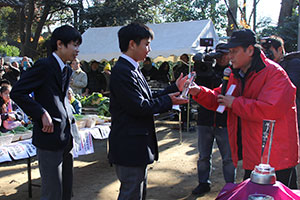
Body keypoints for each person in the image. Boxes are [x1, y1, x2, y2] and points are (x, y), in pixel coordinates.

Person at [189, 29, 299, 189]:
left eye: (234, 51)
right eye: (229, 51)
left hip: (277, 158)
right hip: (253, 155)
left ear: (250, 50)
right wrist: (198, 91)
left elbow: (269, 110)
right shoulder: (236, 75)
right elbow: (219, 98)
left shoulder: (275, 74)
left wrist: (234, 103)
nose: (230, 56)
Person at [108, 22, 188, 200]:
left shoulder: (132, 68)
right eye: (146, 44)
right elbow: (139, 106)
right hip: (129, 146)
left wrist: (173, 88)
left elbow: (148, 96)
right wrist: (169, 100)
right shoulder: (122, 71)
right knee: (131, 193)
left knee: (137, 191)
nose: (149, 49)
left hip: (137, 145)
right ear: (132, 44)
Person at [11, 24, 82, 200]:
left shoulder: (66, 69)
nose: (77, 50)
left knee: (66, 191)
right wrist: (41, 112)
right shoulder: (44, 65)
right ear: (60, 44)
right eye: (74, 44)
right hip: (49, 138)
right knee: (52, 193)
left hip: (66, 137)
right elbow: (17, 92)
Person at [192, 43, 236, 196]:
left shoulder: (233, 72)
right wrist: (199, 65)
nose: (223, 58)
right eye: (220, 55)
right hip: (205, 120)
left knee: (228, 158)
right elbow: (198, 90)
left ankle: (231, 187)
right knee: (204, 156)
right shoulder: (206, 69)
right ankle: (203, 183)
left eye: (226, 54)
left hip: (224, 122)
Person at [260, 35, 300, 133]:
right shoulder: (265, 67)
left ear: (280, 49)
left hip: (292, 115)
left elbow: (291, 85)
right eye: (264, 52)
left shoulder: (293, 63)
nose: (267, 55)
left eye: (269, 51)